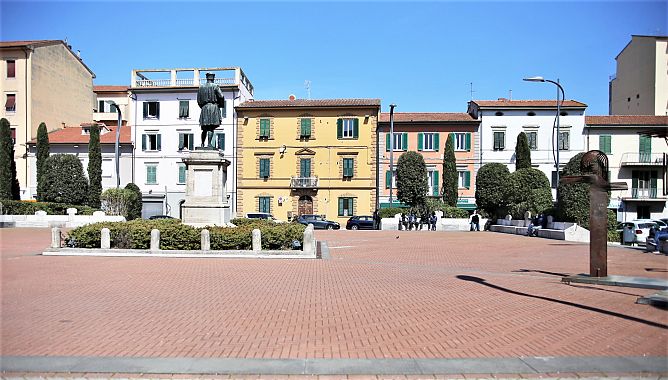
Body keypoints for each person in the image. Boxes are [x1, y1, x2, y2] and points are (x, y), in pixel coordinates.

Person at [197, 72, 226, 148]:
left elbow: (198, 100)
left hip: (204, 108)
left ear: (207, 78)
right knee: (211, 127)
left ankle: (202, 143)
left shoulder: (201, 87)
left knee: (204, 128)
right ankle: (209, 144)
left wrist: (203, 107)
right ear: (213, 78)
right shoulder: (215, 86)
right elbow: (221, 96)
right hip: (213, 107)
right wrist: (220, 105)